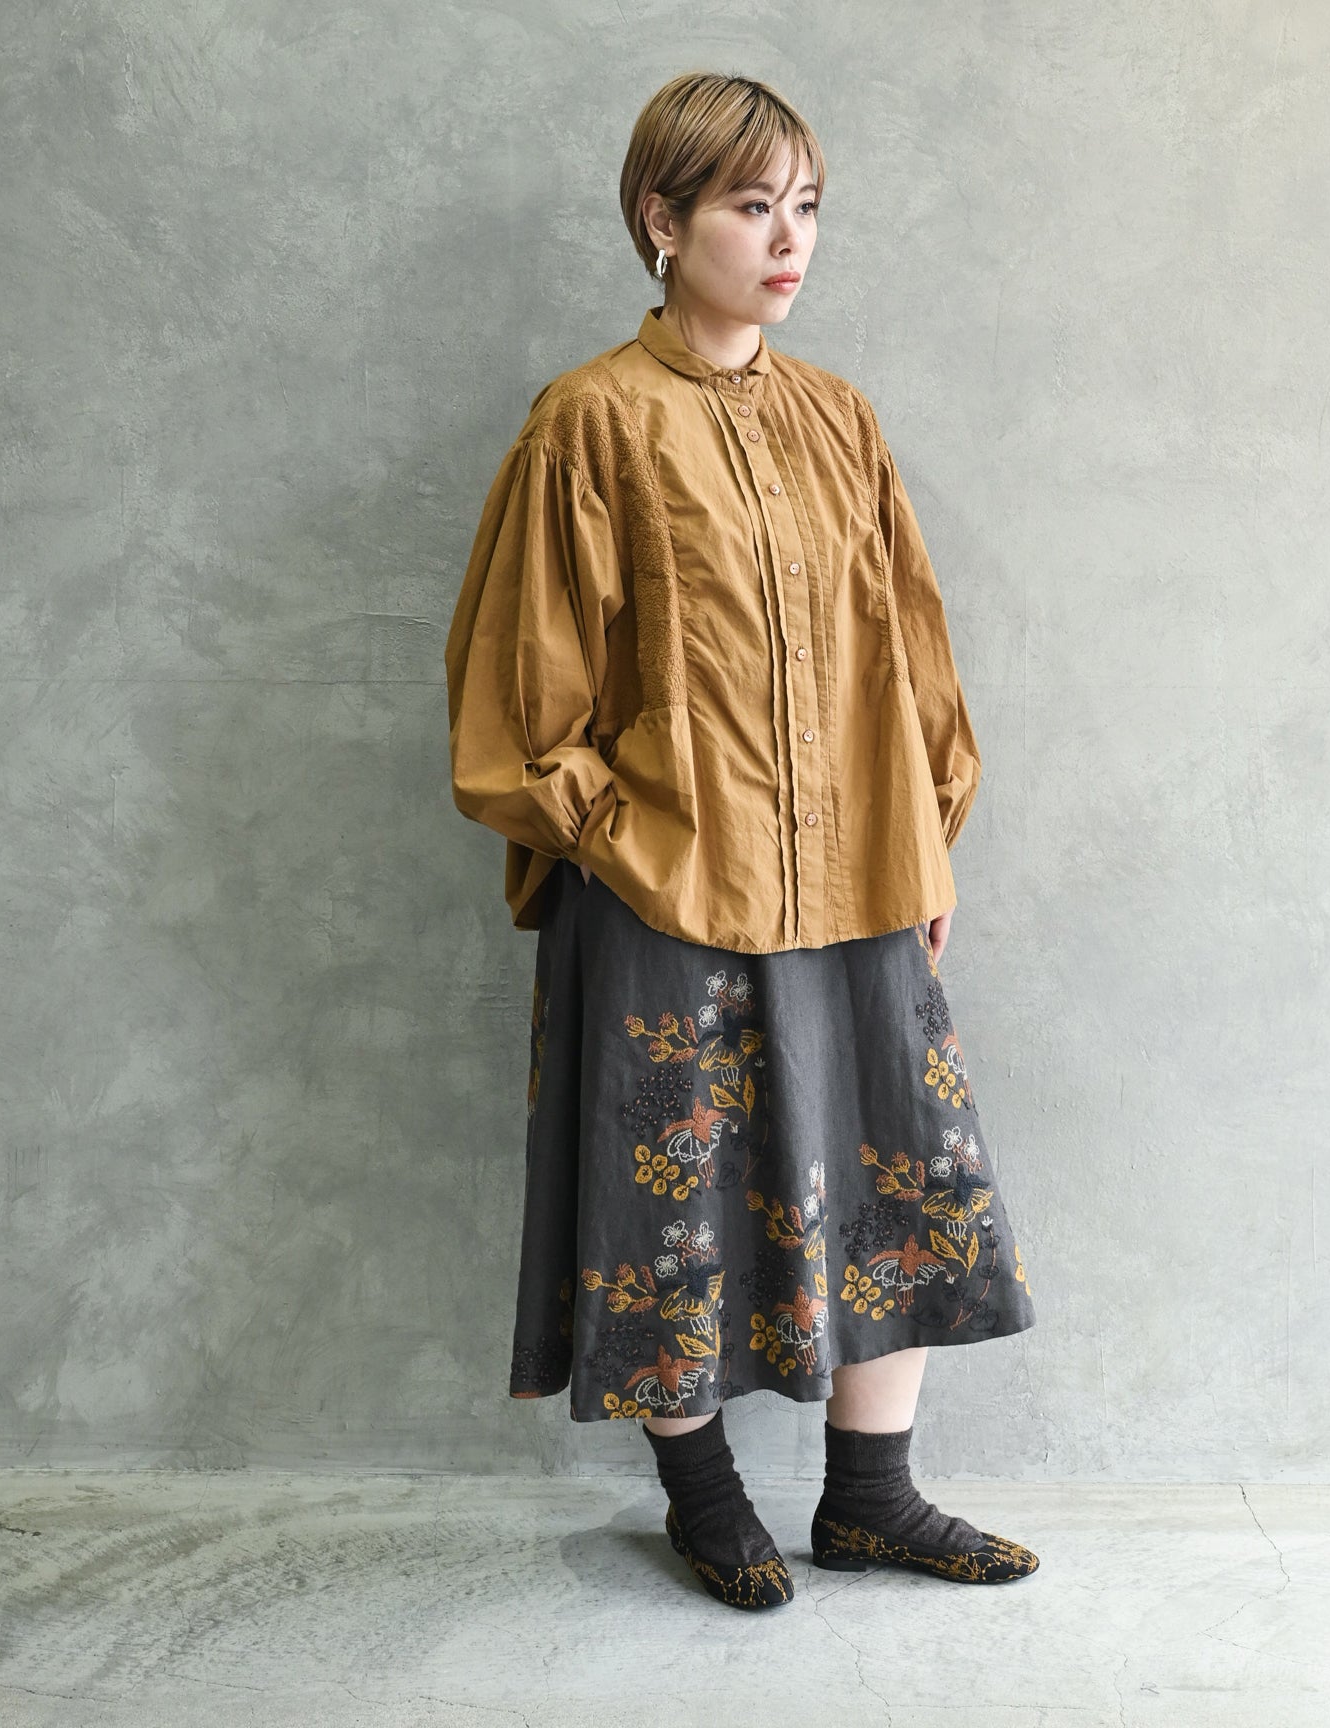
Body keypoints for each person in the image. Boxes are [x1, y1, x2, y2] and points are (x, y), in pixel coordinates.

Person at [444, 70, 1039, 1610]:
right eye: (751, 206)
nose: (789, 241)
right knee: (675, 1197)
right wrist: (629, 839)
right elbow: (519, 701)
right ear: (664, 220)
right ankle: (704, 1503)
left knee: (899, 1173)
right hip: (667, 893)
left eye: (807, 208)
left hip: (862, 874)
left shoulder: (840, 419)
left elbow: (909, 654)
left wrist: (928, 837)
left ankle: (872, 1501)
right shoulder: (589, 422)